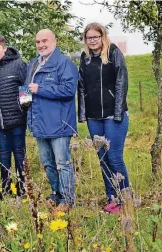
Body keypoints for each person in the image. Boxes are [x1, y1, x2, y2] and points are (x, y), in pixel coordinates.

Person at [78, 23, 130, 214]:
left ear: (102, 36)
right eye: (88, 38)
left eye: (95, 37)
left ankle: (125, 198)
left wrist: (118, 113)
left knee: (114, 157)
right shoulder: (85, 58)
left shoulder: (114, 53)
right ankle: (112, 198)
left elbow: (122, 83)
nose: (92, 41)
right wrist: (83, 114)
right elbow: (81, 86)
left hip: (113, 115)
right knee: (102, 158)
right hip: (94, 118)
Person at [26, 29, 78, 214]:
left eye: (45, 41)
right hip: (40, 123)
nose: (41, 45)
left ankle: (67, 199)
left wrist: (41, 89)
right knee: (48, 163)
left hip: (59, 123)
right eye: (38, 41)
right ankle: (56, 194)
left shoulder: (64, 63)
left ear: (54, 41)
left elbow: (68, 89)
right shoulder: (33, 64)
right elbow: (29, 91)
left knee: (62, 163)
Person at [0, 35, 28, 200]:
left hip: (17, 118)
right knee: (3, 154)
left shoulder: (18, 64)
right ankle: (6, 188)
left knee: (19, 153)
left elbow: (26, 90)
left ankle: (23, 189)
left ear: (4, 48)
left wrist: (25, 111)